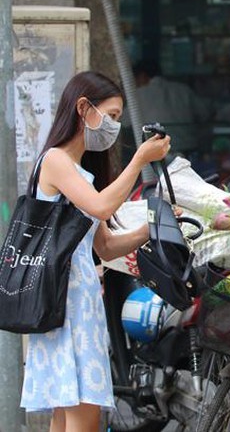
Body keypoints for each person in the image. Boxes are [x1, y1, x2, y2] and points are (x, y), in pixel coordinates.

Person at [19, 71, 171, 431]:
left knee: (67, 418)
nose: (114, 126)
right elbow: (102, 207)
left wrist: (155, 227)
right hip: (64, 305)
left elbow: (104, 246)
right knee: (82, 418)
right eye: (112, 116)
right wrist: (140, 160)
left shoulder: (82, 173)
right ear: (84, 108)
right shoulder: (56, 160)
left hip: (80, 303)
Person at [130, 59, 212, 155]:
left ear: (142, 76)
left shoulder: (138, 95)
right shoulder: (183, 90)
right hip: (188, 149)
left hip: (158, 153)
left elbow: (123, 122)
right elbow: (205, 114)